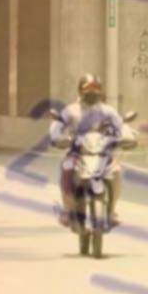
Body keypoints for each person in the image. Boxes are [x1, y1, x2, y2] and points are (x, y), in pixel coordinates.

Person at [50, 73, 129, 229]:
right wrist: (57, 137)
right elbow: (57, 126)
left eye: (95, 88)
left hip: (102, 155)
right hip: (77, 154)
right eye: (88, 88)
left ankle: (111, 211)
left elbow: (121, 126)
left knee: (117, 171)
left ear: (100, 91)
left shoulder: (108, 111)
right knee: (67, 168)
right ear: (80, 90)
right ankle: (68, 210)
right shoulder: (71, 110)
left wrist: (127, 136)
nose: (91, 92)